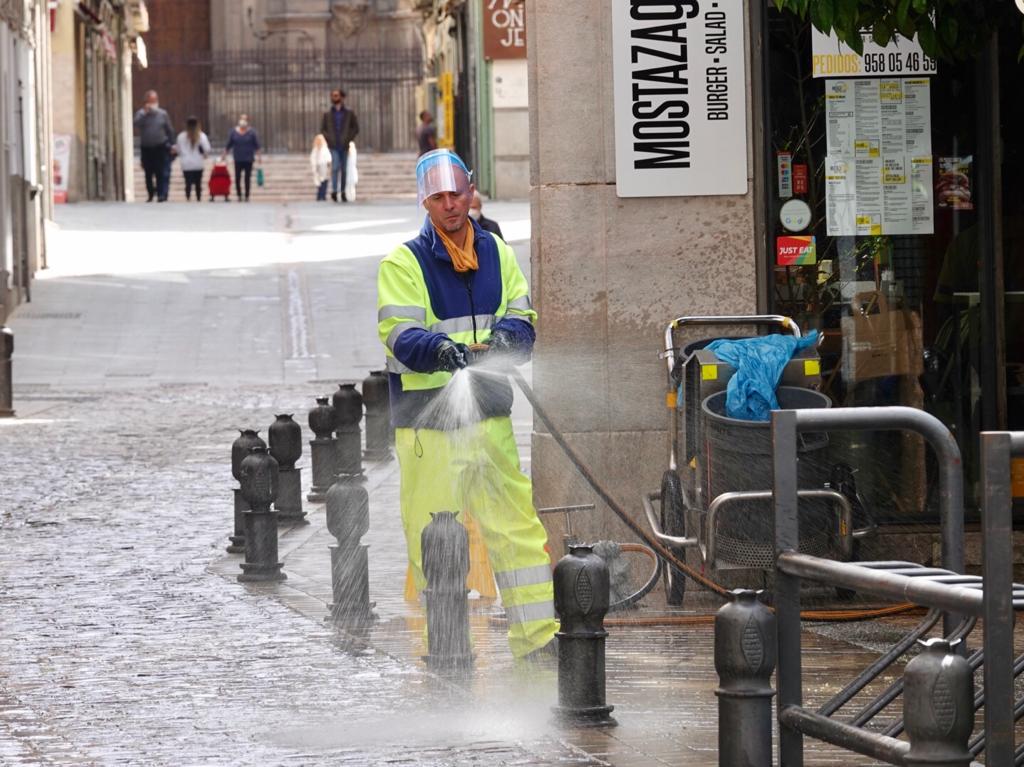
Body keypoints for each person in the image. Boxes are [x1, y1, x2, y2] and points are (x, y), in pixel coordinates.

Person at [376, 149, 558, 660]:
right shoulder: (403, 263)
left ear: (471, 189)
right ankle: (446, 651)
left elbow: (523, 315)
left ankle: (538, 642)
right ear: (424, 201)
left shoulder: (496, 254)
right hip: (428, 427)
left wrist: (505, 339)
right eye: (438, 196)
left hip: (488, 416)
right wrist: (438, 349)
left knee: (518, 531)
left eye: (457, 192)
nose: (451, 204)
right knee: (438, 540)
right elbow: (399, 332)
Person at [133, 90, 174, 202]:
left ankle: (161, 194)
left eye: (155, 101)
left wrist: (172, 144)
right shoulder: (141, 114)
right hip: (146, 148)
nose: (153, 103)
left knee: (161, 172)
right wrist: (144, 113)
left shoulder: (163, 114)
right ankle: (151, 193)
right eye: (150, 101)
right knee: (148, 172)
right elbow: (135, 123)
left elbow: (169, 130)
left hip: (160, 147)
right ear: (146, 102)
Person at [319, 89, 359, 202]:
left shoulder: (349, 113)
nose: (334, 98)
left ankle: (343, 191)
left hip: (345, 145)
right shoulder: (327, 114)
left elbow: (355, 128)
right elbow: (323, 129)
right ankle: (335, 191)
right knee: (335, 167)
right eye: (332, 95)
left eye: (336, 95)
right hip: (334, 145)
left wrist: (348, 138)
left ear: (341, 97)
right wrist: (329, 139)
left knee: (344, 169)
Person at [221, 114, 261, 202]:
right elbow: (229, 145)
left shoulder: (252, 133)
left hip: (248, 159)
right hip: (238, 158)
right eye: (242, 119)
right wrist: (224, 155)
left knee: (247, 177)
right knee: (237, 177)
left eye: (245, 119)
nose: (243, 121)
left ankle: (247, 195)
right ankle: (239, 195)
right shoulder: (233, 132)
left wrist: (259, 157)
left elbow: (257, 146)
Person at [175, 116, 211, 202]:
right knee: (198, 182)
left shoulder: (181, 136)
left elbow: (178, 149)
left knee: (188, 182)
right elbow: (207, 149)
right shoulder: (201, 136)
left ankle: (188, 197)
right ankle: (198, 198)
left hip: (186, 163)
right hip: (198, 163)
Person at [310, 134, 332, 202]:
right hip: (318, 167)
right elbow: (312, 159)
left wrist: (328, 166)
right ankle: (319, 196)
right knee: (319, 182)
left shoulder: (325, 149)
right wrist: (315, 167)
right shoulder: (315, 149)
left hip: (324, 166)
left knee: (324, 181)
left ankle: (323, 195)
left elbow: (329, 158)